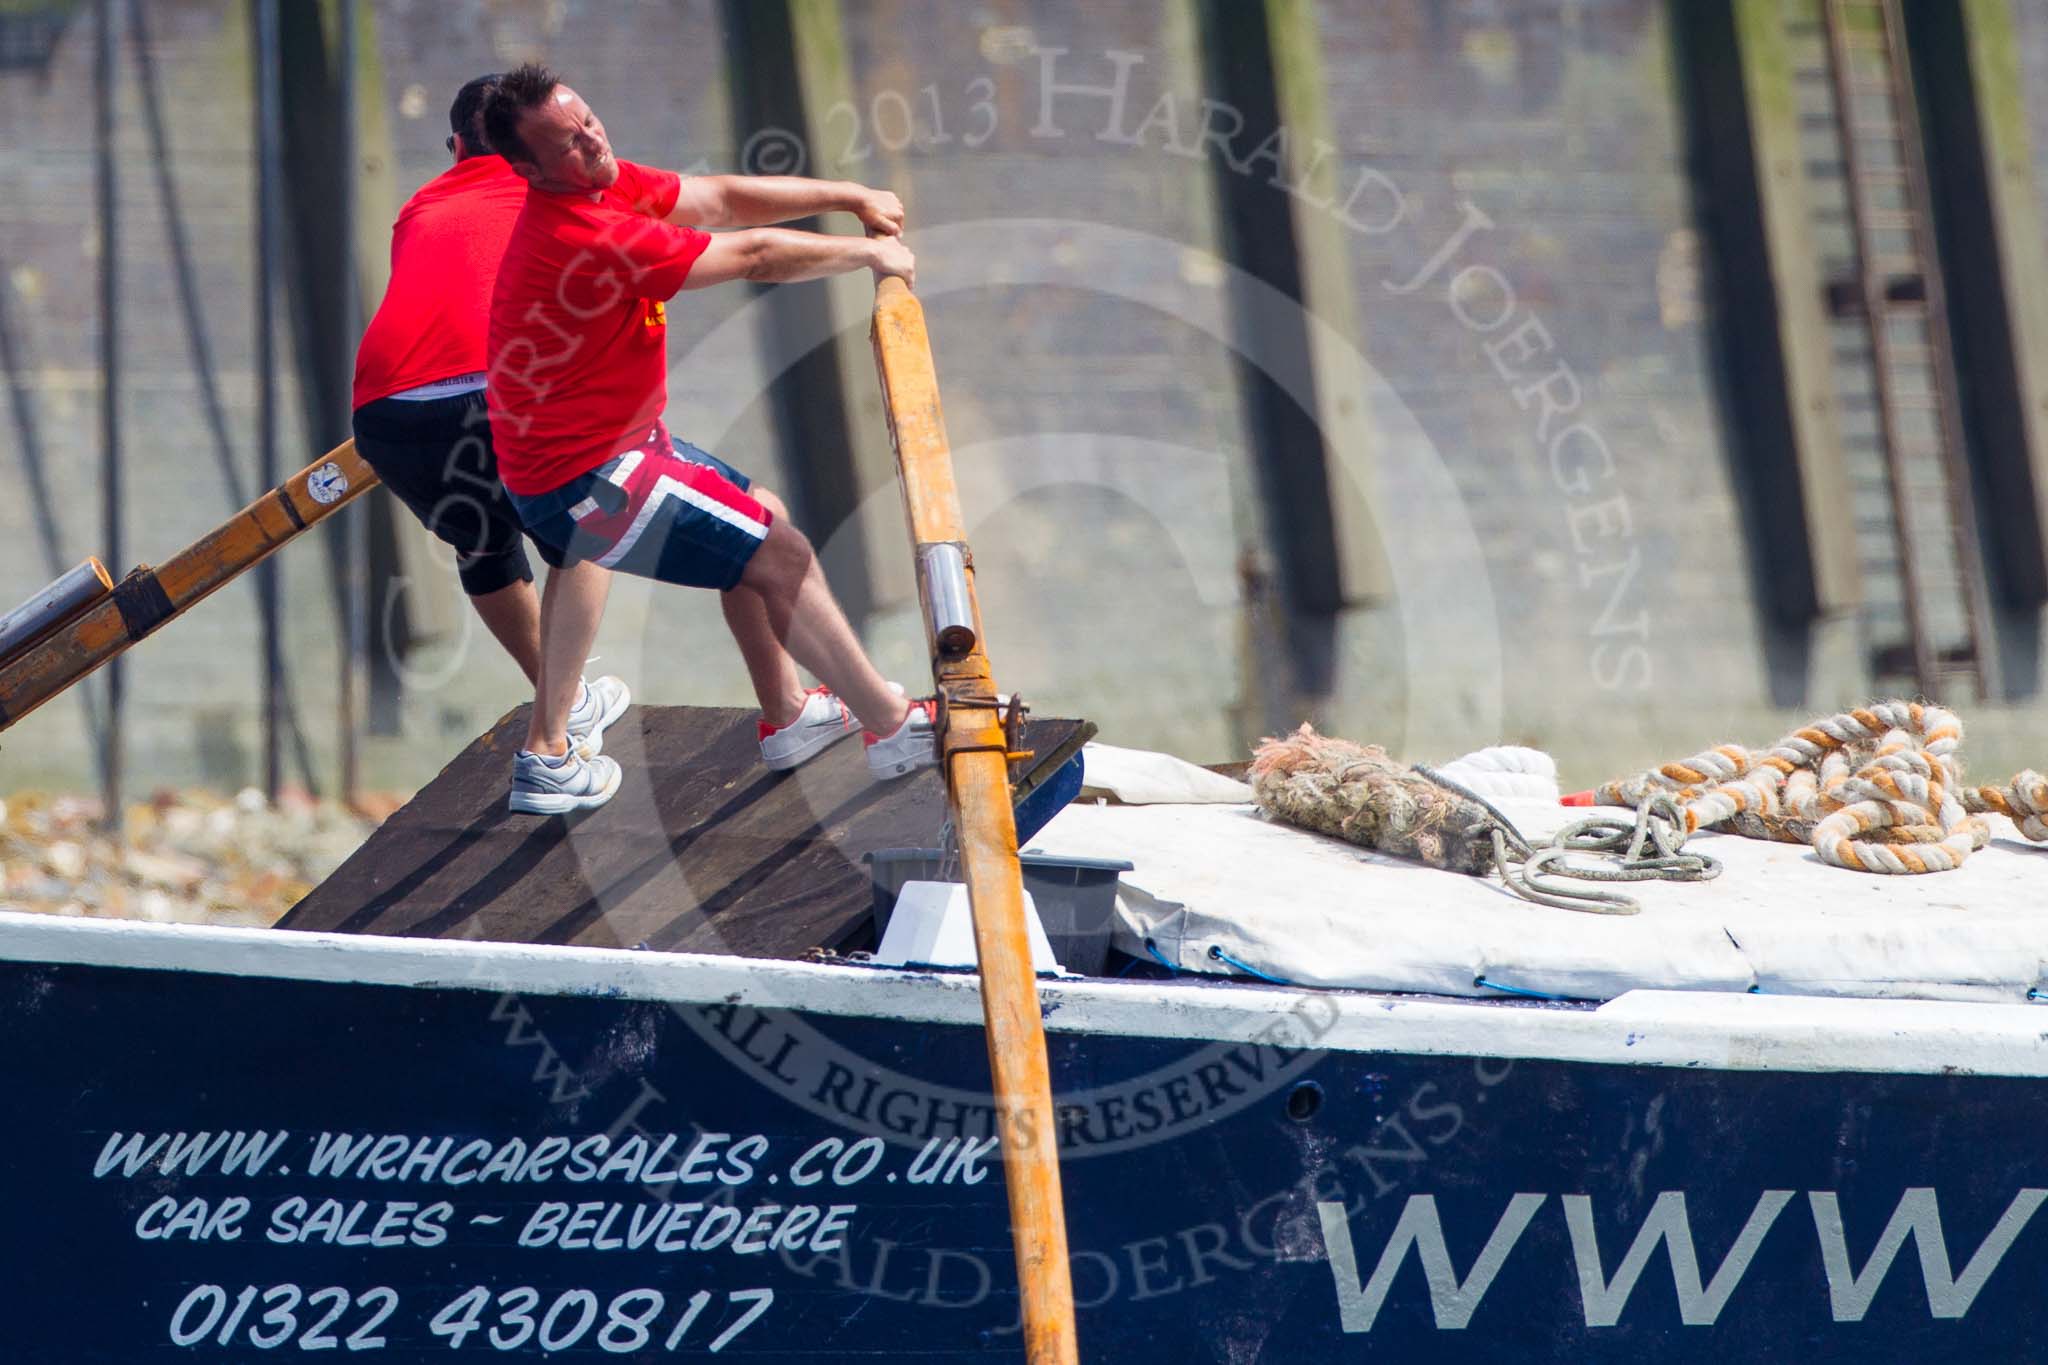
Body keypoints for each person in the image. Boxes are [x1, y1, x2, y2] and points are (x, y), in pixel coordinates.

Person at [480, 63, 935, 815]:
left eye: (587, 120)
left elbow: (719, 198)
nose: (591, 141)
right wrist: (866, 254)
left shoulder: (604, 182)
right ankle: (896, 727)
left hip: (608, 450)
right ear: (529, 169)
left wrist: (849, 195)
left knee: (761, 511)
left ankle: (788, 714)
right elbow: (751, 255)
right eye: (567, 143)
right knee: (779, 554)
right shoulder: (583, 233)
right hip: (594, 475)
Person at [351, 74, 628, 762]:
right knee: (591, 525)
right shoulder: (560, 184)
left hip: (386, 411)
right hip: (499, 388)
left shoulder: (419, 207)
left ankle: (566, 704)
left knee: (484, 545)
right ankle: (553, 740)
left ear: (455, 149)